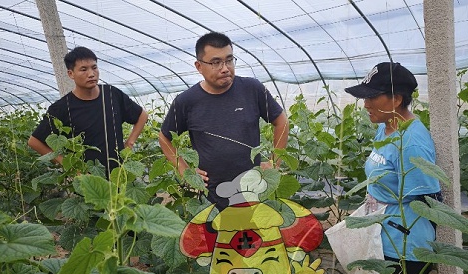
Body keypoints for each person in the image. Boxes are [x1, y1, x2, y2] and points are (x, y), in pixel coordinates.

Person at [343, 62, 441, 274]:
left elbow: (427, 200)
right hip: (380, 236)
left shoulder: (413, 142)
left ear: (396, 99)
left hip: (405, 245)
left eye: (372, 97)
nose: (365, 104)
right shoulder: (386, 127)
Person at [159, 32, 289, 210]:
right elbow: (164, 137)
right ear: (199, 66)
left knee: (256, 236)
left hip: (254, 191)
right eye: (216, 62)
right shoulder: (186, 101)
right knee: (219, 237)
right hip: (211, 196)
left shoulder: (252, 89)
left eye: (229, 60)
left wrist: (274, 162)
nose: (225, 68)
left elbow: (281, 122)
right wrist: (184, 170)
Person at [28, 46, 148, 177]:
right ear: (71, 74)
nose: (91, 74)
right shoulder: (62, 107)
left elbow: (142, 115)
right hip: (88, 179)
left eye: (94, 67)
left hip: (118, 173)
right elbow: (34, 141)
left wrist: (130, 142)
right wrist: (70, 167)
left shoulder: (111, 94)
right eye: (83, 69)